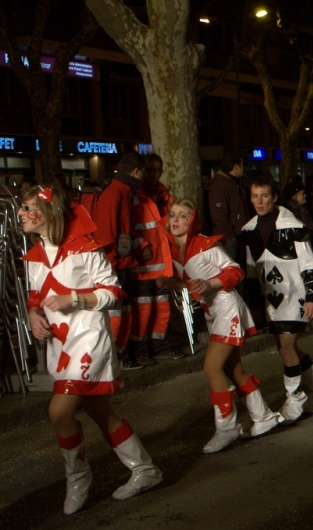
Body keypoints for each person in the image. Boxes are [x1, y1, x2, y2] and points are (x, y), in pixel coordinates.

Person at [21, 186, 162, 515]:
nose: (22, 215)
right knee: (100, 411)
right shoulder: (34, 256)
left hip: (88, 339)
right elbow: (34, 297)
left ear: (50, 212)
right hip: (60, 344)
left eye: (30, 208)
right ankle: (145, 470)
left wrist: (76, 299)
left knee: (59, 412)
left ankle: (78, 477)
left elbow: (114, 290)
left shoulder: (84, 248)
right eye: (22, 209)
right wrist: (33, 315)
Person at [157, 199, 282, 453]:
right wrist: (173, 285)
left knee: (211, 367)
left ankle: (227, 428)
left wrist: (210, 284)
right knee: (233, 369)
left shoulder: (205, 245)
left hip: (227, 308)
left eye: (183, 215)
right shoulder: (173, 250)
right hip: (212, 312)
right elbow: (196, 283)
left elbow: (235, 271)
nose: (177, 220)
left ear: (193, 220)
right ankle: (264, 416)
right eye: (173, 215)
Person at [240, 177, 313, 423]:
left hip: (296, 294)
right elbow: (252, 271)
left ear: (274, 197)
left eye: (264, 195)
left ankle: (295, 397)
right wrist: (254, 306)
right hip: (271, 301)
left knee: (285, 347)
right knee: (288, 347)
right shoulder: (248, 230)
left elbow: (309, 265)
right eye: (255, 196)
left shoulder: (293, 226)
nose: (260, 201)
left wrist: (312, 298)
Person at [94, 152, 148, 370]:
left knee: (122, 310)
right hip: (116, 264)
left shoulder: (121, 191)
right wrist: (112, 266)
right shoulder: (116, 193)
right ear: (136, 171)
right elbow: (106, 235)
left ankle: (119, 354)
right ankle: (114, 356)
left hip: (121, 262)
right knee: (116, 311)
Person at [128, 153, 177, 365]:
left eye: (157, 170)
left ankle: (159, 347)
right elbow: (126, 227)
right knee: (143, 309)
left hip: (162, 262)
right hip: (143, 265)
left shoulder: (164, 195)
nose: (153, 174)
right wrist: (141, 244)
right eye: (149, 169)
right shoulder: (133, 195)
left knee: (162, 308)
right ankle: (139, 350)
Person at [209, 152, 250, 259]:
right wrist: (231, 238)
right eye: (242, 165)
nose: (243, 168)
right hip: (228, 239)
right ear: (236, 167)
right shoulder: (221, 185)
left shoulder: (232, 183)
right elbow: (219, 216)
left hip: (235, 237)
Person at [281, 179, 313, 253]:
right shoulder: (287, 212)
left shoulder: (303, 209)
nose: (305, 196)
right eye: (302, 193)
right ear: (294, 195)